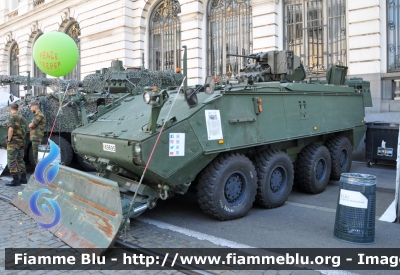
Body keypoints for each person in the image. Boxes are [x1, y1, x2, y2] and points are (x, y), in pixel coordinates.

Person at [6, 103, 27, 186]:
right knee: (20, 160)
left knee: (11, 160)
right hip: (21, 142)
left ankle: (16, 180)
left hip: (13, 142)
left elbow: (10, 129)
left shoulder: (12, 117)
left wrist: (8, 140)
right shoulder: (23, 118)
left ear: (10, 108)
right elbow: (25, 130)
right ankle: (23, 178)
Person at [29, 101, 46, 166]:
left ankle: (38, 170)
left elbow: (32, 125)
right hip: (36, 137)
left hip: (36, 137)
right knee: (36, 155)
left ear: (34, 107)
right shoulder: (37, 115)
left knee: (36, 155)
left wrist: (30, 125)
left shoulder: (39, 115)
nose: (30, 109)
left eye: (31, 107)